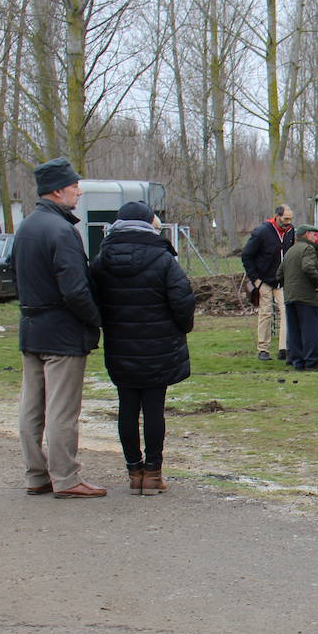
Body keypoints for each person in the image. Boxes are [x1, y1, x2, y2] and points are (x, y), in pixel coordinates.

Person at [14, 157, 106, 498]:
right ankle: (66, 478)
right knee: (62, 410)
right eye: (73, 186)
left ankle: (36, 475)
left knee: (31, 407)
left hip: (31, 329)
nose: (78, 191)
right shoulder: (62, 231)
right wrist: (96, 319)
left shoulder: (26, 227)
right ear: (56, 190)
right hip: (62, 333)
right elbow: (75, 290)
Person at [90, 202, 196, 495]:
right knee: (153, 409)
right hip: (158, 346)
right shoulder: (162, 258)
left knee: (127, 408)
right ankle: (153, 473)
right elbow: (183, 300)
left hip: (120, 346)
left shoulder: (102, 259)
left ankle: (134, 472)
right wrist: (182, 327)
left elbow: (91, 297)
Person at [240, 204, 295, 362]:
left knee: (286, 311)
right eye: (285, 219)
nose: (288, 222)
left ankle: (284, 348)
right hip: (263, 279)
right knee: (266, 313)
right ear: (277, 216)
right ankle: (263, 349)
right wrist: (255, 279)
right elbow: (246, 255)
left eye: (290, 219)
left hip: (282, 280)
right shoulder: (262, 232)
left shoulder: (291, 231)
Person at [277, 225, 318, 371]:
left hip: (290, 297)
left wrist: (289, 287)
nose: (315, 238)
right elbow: (308, 267)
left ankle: (298, 362)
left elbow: (279, 274)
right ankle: (312, 362)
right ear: (307, 235)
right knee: (310, 329)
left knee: (294, 331)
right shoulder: (308, 249)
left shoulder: (290, 251)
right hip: (306, 296)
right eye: (314, 235)